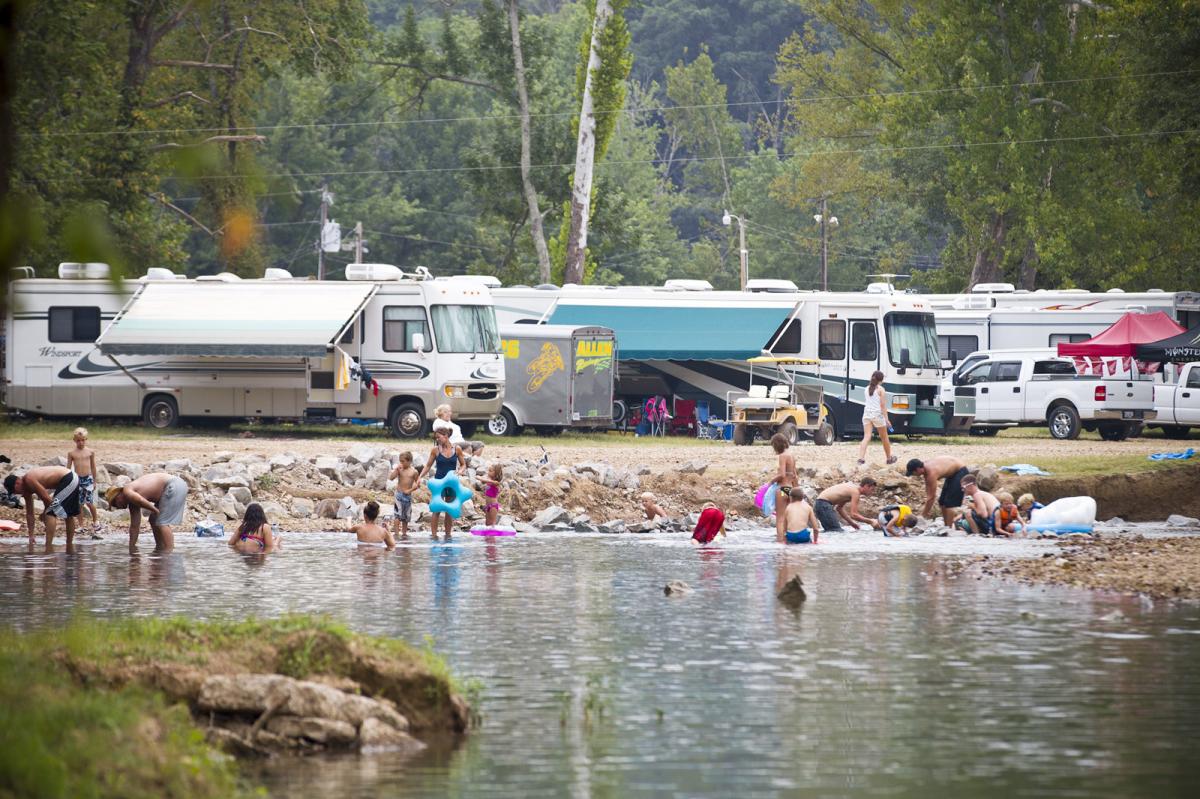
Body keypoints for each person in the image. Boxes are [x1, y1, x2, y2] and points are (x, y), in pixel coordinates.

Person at [105, 472, 188, 552]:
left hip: (174, 485)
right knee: (153, 519)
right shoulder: (132, 504)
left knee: (161, 522)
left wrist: (155, 510)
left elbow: (140, 500)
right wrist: (132, 548)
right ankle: (160, 547)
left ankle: (169, 552)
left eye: (114, 503)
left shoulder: (127, 490)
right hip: (174, 486)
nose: (117, 507)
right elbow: (134, 527)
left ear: (118, 496)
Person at [4, 466, 81, 548]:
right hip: (71, 478)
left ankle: (48, 547)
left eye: (13, 490)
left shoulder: (28, 479)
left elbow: (47, 499)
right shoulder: (26, 490)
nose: (15, 493)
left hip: (68, 477)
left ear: (17, 482)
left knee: (50, 513)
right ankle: (69, 546)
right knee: (67, 514)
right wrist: (31, 536)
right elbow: (30, 514)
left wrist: (44, 513)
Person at [418, 428, 466, 540]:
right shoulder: (435, 450)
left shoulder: (457, 449)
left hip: (452, 483)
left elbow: (463, 465)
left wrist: (460, 471)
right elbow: (428, 466)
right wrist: (420, 477)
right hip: (438, 483)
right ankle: (434, 536)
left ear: (446, 436)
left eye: (439, 437)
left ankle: (448, 535)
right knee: (436, 509)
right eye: (436, 437)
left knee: (449, 509)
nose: (437, 439)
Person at [906, 456, 970, 527]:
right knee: (942, 502)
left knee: (949, 504)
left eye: (913, 473)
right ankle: (946, 526)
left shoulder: (931, 473)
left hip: (960, 471)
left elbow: (931, 497)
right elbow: (928, 493)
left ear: (918, 469)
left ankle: (949, 529)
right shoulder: (924, 469)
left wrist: (922, 516)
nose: (913, 475)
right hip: (952, 474)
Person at [858, 370, 898, 466]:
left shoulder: (866, 389)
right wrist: (887, 419)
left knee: (866, 437)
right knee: (884, 438)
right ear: (881, 380)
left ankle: (861, 459)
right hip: (877, 415)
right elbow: (883, 406)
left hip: (867, 414)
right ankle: (889, 458)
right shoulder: (881, 389)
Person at [814, 478, 880, 533]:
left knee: (831, 531)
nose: (872, 492)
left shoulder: (852, 490)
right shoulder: (855, 492)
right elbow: (854, 515)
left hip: (820, 504)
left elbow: (839, 508)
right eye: (872, 490)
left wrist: (852, 524)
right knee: (835, 531)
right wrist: (871, 521)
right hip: (823, 505)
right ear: (866, 486)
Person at [66, 427, 99, 534]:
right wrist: (68, 482)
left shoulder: (90, 452)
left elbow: (93, 467)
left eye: (83, 440)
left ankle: (96, 522)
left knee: (90, 502)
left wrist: (94, 481)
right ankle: (81, 525)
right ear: (74, 440)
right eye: (78, 440)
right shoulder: (72, 453)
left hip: (88, 479)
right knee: (79, 503)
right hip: (77, 480)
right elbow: (68, 469)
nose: (81, 442)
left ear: (86, 439)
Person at [770, 433, 797, 543]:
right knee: (788, 517)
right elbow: (795, 475)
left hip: (782, 490)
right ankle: (788, 538)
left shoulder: (782, 456)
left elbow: (782, 475)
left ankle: (780, 541)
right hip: (790, 489)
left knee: (780, 518)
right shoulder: (792, 456)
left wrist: (771, 481)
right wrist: (797, 489)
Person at [389, 451, 419, 540]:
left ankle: (404, 534)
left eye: (403, 461)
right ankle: (397, 534)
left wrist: (410, 490)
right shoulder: (400, 469)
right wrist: (396, 470)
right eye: (400, 461)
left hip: (407, 496)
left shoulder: (414, 472)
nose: (401, 463)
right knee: (397, 515)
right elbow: (391, 478)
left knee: (406, 516)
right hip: (399, 495)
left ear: (409, 461)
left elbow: (418, 484)